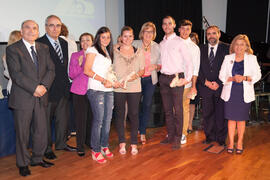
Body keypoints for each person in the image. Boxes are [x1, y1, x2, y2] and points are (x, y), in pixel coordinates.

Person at [6, 20, 55, 177]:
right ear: (21, 31)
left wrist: (43, 87)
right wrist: (34, 88)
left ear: (38, 32)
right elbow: (16, 74)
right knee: (23, 134)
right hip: (23, 98)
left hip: (41, 96)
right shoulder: (13, 49)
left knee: (41, 131)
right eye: (27, 28)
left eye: (35, 28)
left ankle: (37, 158)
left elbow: (51, 70)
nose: (31, 31)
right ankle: (23, 163)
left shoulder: (44, 48)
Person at [37, 15, 76, 160]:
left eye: (58, 25)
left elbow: (63, 67)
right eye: (52, 25)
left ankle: (61, 144)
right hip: (47, 90)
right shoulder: (39, 43)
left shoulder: (64, 43)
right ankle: (47, 149)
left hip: (63, 88)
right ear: (46, 27)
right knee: (45, 122)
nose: (55, 28)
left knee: (63, 120)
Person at [219, 34, 261, 154]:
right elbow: (221, 75)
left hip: (244, 93)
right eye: (237, 44)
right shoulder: (228, 58)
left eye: (242, 44)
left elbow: (257, 75)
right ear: (233, 45)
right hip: (230, 92)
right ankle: (231, 142)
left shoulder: (252, 58)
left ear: (246, 46)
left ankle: (240, 142)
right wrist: (232, 78)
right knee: (231, 119)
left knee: (241, 120)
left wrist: (245, 78)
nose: (239, 47)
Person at [84, 27, 119, 163]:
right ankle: (96, 150)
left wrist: (114, 82)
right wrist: (103, 80)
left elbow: (108, 72)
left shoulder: (108, 52)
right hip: (96, 89)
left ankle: (104, 146)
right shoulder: (92, 50)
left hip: (108, 90)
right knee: (98, 121)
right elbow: (87, 70)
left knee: (107, 120)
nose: (106, 40)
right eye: (103, 37)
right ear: (98, 37)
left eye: (108, 37)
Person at [159, 16, 193, 150]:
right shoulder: (161, 44)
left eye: (169, 24)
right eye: (164, 24)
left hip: (177, 78)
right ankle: (170, 135)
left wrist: (186, 79)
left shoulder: (180, 42)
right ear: (162, 26)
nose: (167, 26)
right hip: (164, 78)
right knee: (167, 110)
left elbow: (189, 62)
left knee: (178, 110)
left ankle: (179, 137)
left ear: (174, 26)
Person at [113, 26, 145, 155]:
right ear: (121, 37)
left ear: (133, 37)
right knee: (120, 115)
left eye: (130, 36)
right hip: (119, 88)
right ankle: (122, 142)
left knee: (134, 114)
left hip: (134, 87)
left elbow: (142, 70)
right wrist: (116, 81)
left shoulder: (139, 51)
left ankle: (133, 143)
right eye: (125, 36)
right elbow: (110, 69)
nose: (127, 38)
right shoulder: (114, 51)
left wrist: (133, 77)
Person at [197, 25, 229, 146]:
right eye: (209, 34)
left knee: (221, 114)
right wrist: (205, 82)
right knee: (207, 114)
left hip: (221, 87)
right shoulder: (200, 49)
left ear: (219, 34)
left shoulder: (227, 49)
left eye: (214, 33)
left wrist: (219, 83)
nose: (211, 36)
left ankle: (221, 138)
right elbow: (197, 68)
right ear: (206, 36)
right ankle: (209, 136)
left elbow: (229, 69)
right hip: (205, 87)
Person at [133, 22, 161, 144]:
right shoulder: (134, 44)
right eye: (146, 31)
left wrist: (156, 66)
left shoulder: (157, 46)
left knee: (147, 105)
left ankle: (142, 131)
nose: (148, 34)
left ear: (153, 34)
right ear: (142, 32)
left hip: (150, 80)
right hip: (137, 79)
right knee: (135, 106)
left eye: (151, 32)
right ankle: (137, 128)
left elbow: (160, 64)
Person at [69, 32, 94, 156]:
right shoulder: (75, 55)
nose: (85, 42)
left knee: (91, 119)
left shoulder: (96, 55)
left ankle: (88, 142)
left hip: (93, 90)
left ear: (92, 42)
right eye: (82, 40)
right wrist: (79, 64)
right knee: (80, 120)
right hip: (79, 91)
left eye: (88, 40)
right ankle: (79, 146)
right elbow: (71, 75)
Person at [177, 19, 200, 145]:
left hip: (187, 83)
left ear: (190, 31)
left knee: (184, 108)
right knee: (174, 108)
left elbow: (195, 69)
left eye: (188, 29)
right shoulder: (173, 43)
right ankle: (175, 131)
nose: (185, 31)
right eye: (183, 28)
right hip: (173, 81)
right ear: (179, 29)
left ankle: (183, 133)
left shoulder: (194, 48)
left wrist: (194, 86)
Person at [189, 32, 200, 132]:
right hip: (184, 81)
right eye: (190, 39)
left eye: (194, 40)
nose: (192, 42)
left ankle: (189, 125)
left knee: (192, 104)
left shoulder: (198, 51)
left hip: (195, 81)